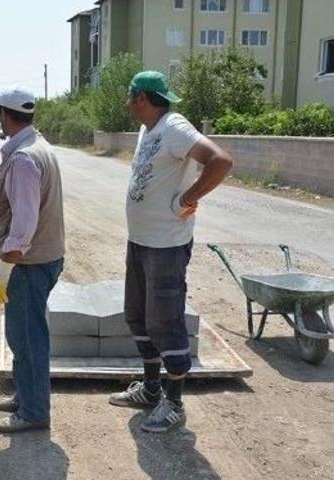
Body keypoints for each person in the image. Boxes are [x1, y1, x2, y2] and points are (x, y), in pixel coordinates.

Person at [109, 71, 233, 433]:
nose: (127, 103)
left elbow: (220, 161)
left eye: (129, 96)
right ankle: (151, 389)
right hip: (140, 241)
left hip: (166, 246)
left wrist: (188, 197)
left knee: (165, 322)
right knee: (138, 316)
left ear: (141, 98)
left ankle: (174, 403)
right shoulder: (148, 130)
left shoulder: (174, 126)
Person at [0, 88, 65, 434]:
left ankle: (34, 412)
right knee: (21, 334)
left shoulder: (22, 159)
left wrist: (4, 268)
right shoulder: (38, 146)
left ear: (4, 115)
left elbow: (23, 226)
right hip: (43, 258)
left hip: (29, 263)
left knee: (29, 338)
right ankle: (25, 396)